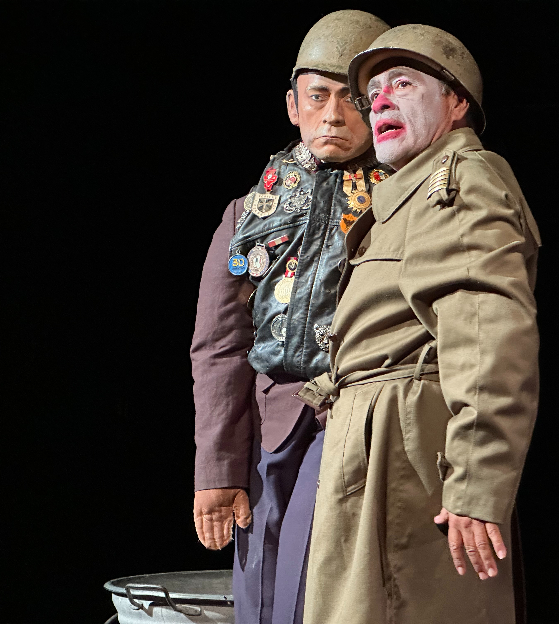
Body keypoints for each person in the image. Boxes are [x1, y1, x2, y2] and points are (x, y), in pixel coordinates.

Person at [297, 24, 541, 624]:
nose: (379, 101)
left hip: (403, 454)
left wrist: (476, 480)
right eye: (373, 92)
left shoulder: (457, 180)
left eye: (402, 84)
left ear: (456, 104)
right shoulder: (407, 196)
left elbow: (487, 334)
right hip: (373, 447)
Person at [189, 10, 390, 624]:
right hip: (272, 427)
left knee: (328, 592)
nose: (333, 115)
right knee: (264, 593)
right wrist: (218, 468)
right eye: (318, 96)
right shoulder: (248, 213)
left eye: (353, 99)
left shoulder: (400, 201)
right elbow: (219, 346)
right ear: (292, 105)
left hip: (358, 419)